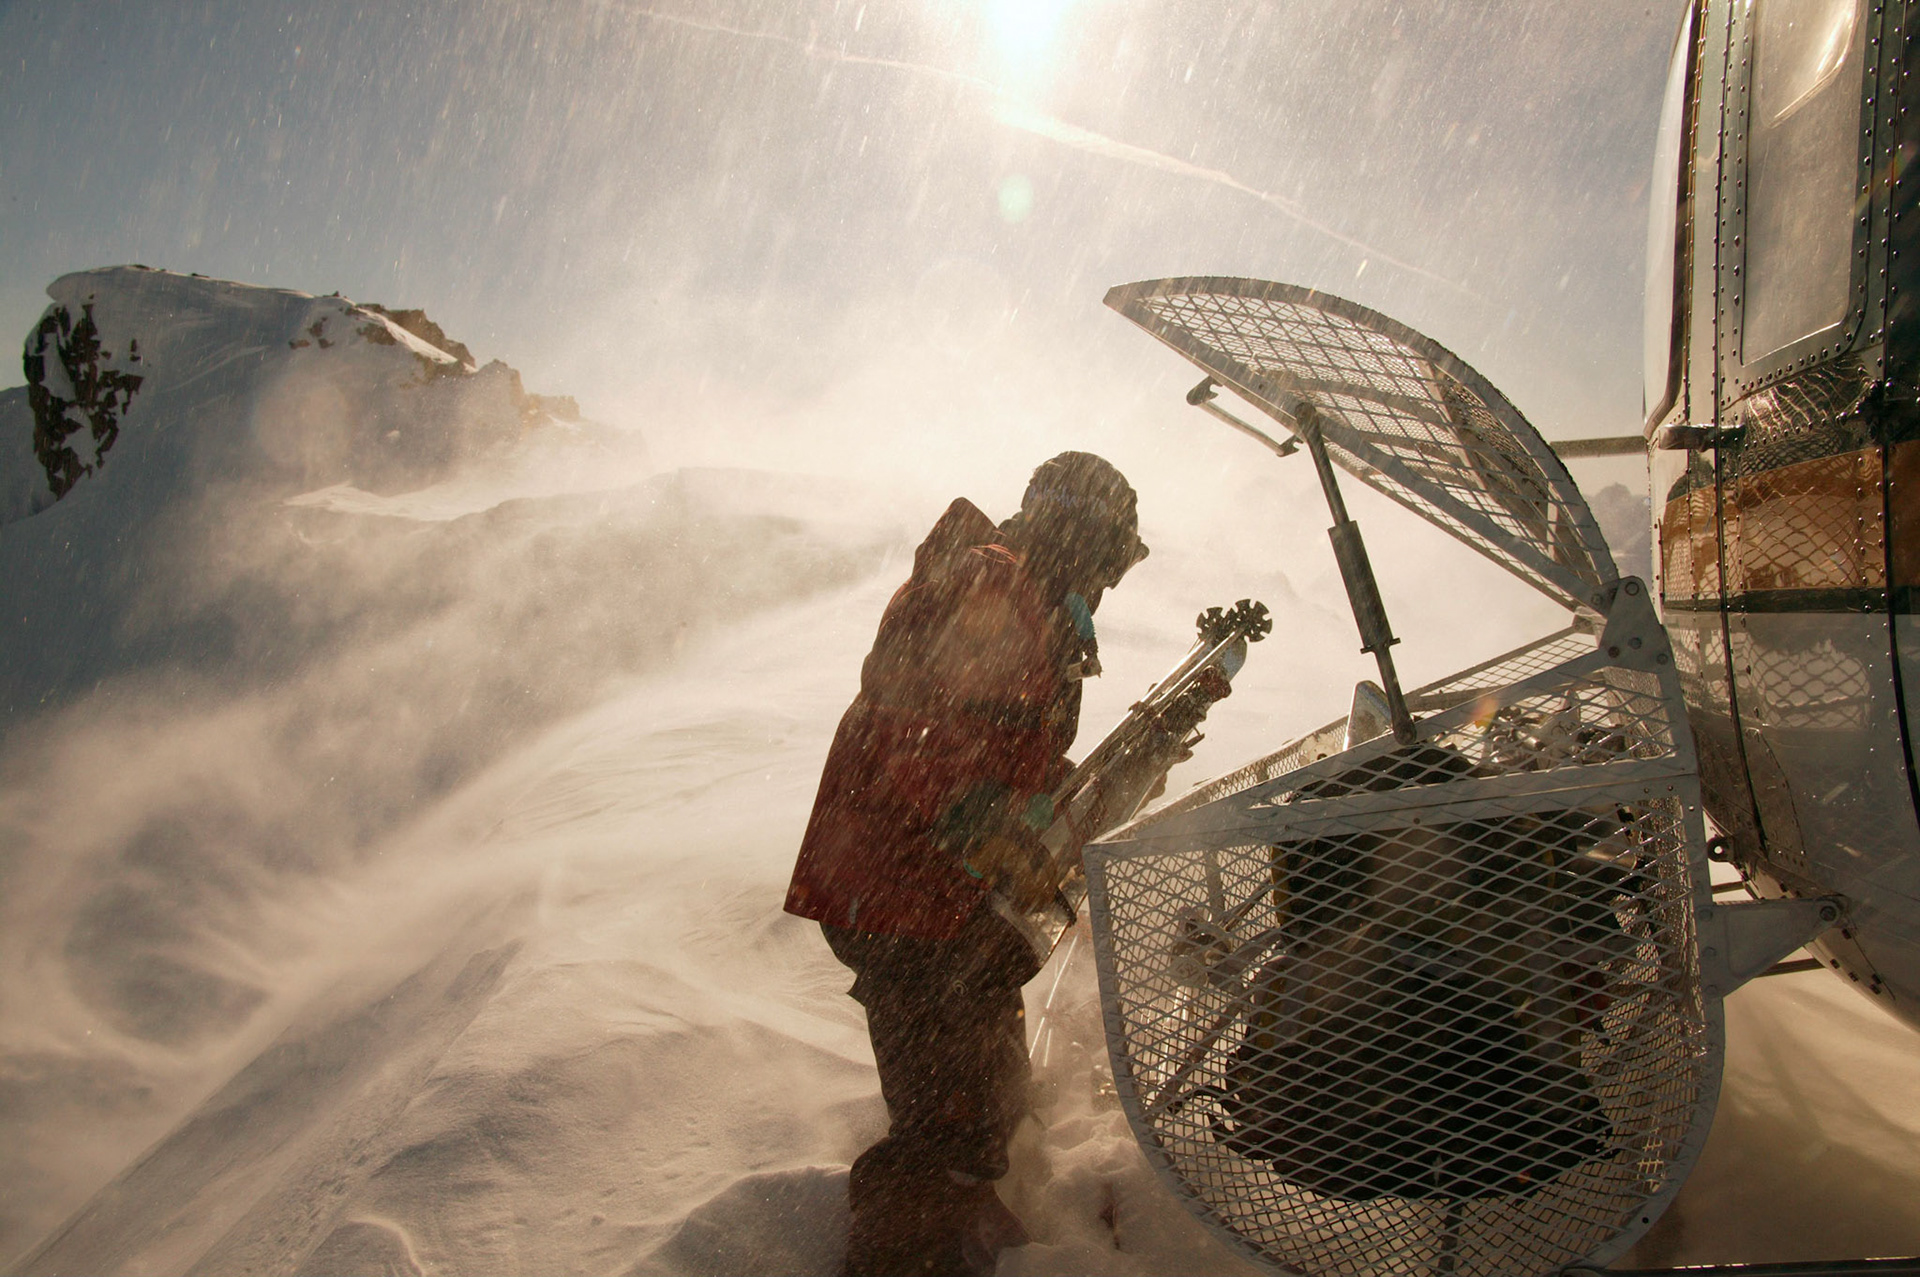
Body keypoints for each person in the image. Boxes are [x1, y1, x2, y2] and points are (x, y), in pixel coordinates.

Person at [785, 452, 1147, 1277]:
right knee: (948, 1126)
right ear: (1075, 536)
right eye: (1107, 561)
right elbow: (909, 702)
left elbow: (1009, 748)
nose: (1108, 587)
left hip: (944, 898)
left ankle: (973, 1207)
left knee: (992, 1087)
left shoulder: (1041, 609)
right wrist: (967, 805)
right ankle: (908, 1250)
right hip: (896, 894)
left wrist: (1074, 795)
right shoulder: (988, 582)